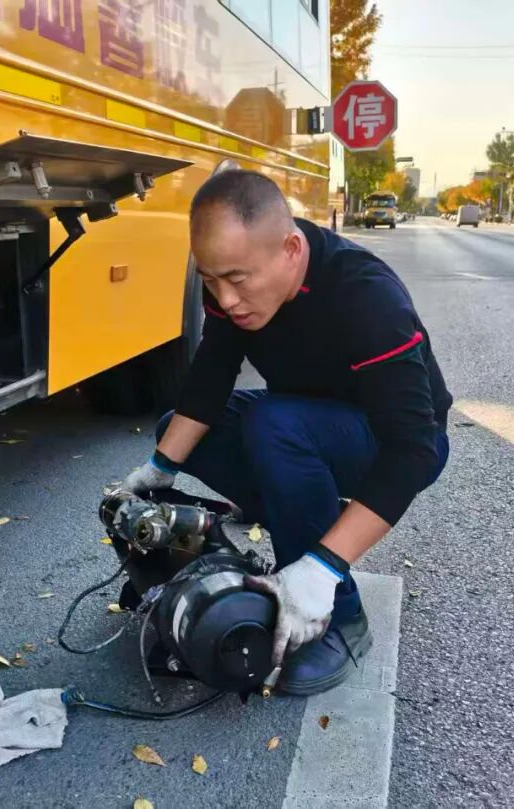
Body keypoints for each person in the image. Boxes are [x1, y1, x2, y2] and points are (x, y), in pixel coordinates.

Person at [117, 170, 452, 695]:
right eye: (209, 280)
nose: (225, 299)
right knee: (178, 432)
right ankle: (306, 519)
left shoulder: (367, 298)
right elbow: (209, 381)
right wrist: (156, 473)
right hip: (306, 420)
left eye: (237, 279)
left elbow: (413, 449)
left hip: (398, 440)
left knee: (277, 427)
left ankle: (338, 615)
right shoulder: (234, 293)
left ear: (291, 249)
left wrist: (321, 568)